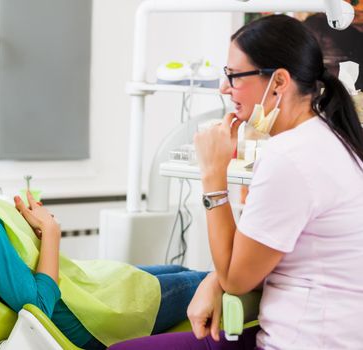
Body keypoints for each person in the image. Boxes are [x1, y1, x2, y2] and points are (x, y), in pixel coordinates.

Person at [109, 14, 363, 350]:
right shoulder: (329, 138)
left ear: (279, 82)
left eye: (233, 76)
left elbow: (237, 277)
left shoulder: (291, 157)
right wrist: (213, 281)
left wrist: (213, 176)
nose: (224, 88)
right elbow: (252, 257)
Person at [0, 88, 209, 349]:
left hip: (80, 290)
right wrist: (51, 232)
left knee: (178, 270)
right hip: (78, 318)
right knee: (209, 281)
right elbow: (38, 310)